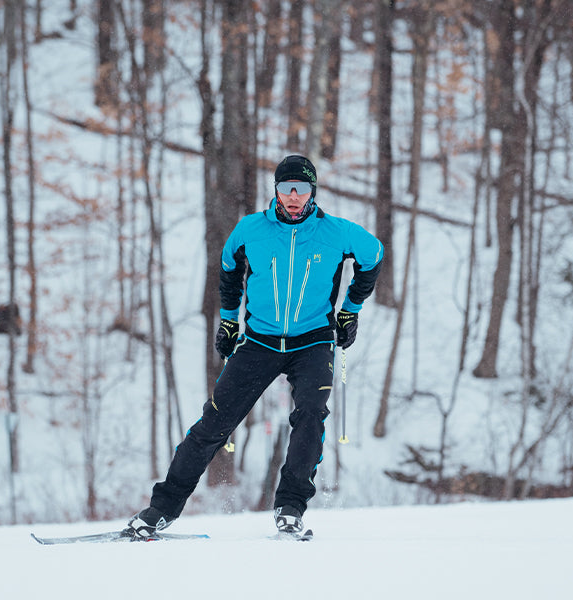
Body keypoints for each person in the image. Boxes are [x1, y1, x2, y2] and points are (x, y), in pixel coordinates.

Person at [124, 155, 384, 537]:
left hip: (312, 341)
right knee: (214, 422)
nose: (293, 197)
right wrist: (229, 321)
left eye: (301, 189)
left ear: (313, 192)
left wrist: (350, 310)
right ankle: (160, 509)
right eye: (285, 188)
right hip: (259, 342)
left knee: (311, 413)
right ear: (275, 190)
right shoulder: (251, 230)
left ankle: (290, 508)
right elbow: (229, 271)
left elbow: (373, 254)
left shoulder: (336, 232)